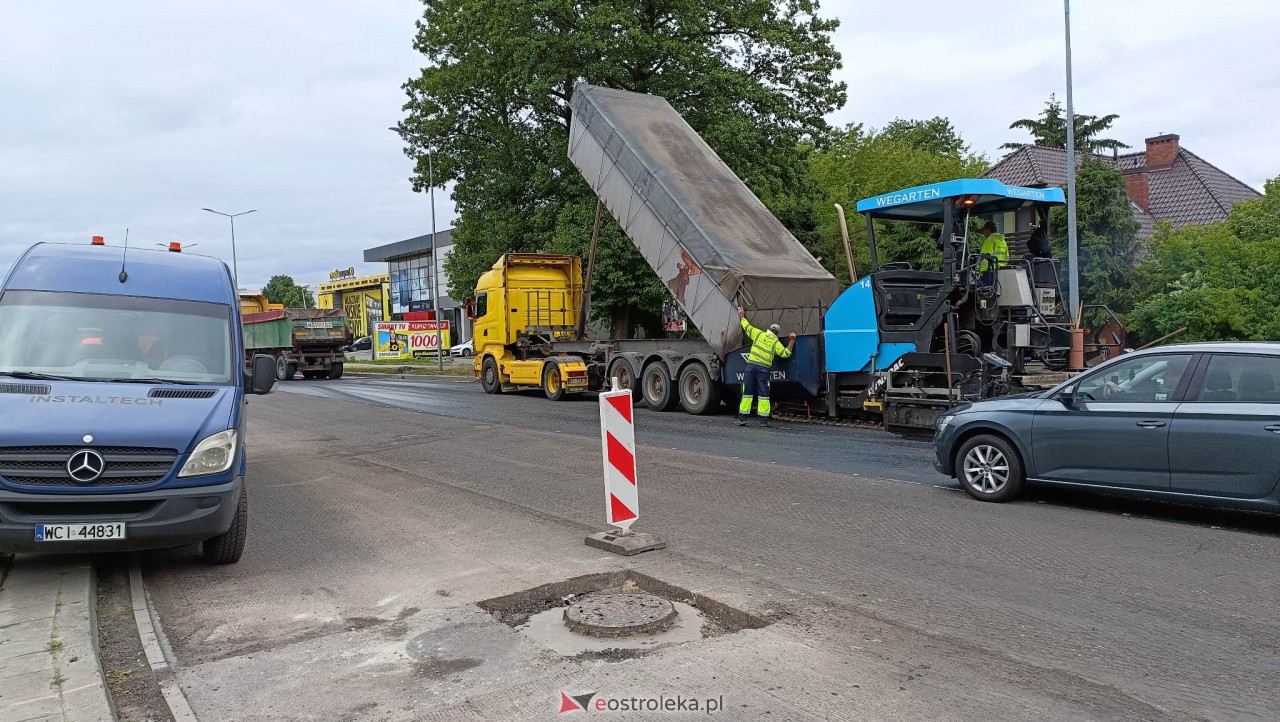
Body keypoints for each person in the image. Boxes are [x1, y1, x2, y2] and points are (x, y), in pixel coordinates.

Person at [735, 304, 796, 427]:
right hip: (763, 370)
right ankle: (763, 421)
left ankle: (742, 419)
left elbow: (746, 327)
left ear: (769, 329)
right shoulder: (775, 342)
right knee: (763, 394)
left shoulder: (758, 334)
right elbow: (785, 353)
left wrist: (742, 315)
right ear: (777, 333)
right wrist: (792, 340)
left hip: (751, 367)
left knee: (747, 392)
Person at [977, 220, 1009, 285]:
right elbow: (1007, 257)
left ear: (988, 230)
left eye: (984, 230)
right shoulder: (1003, 242)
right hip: (1001, 271)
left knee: (981, 289)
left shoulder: (989, 241)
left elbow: (985, 258)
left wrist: (979, 270)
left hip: (990, 272)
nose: (983, 233)